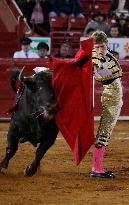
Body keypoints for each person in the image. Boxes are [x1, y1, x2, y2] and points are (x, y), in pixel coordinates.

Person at [90, 31, 123, 178]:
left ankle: (97, 167)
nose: (99, 50)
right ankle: (96, 169)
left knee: (106, 132)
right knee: (104, 132)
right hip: (111, 98)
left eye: (102, 46)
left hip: (114, 97)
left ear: (107, 44)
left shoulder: (105, 56)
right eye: (96, 47)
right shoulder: (95, 59)